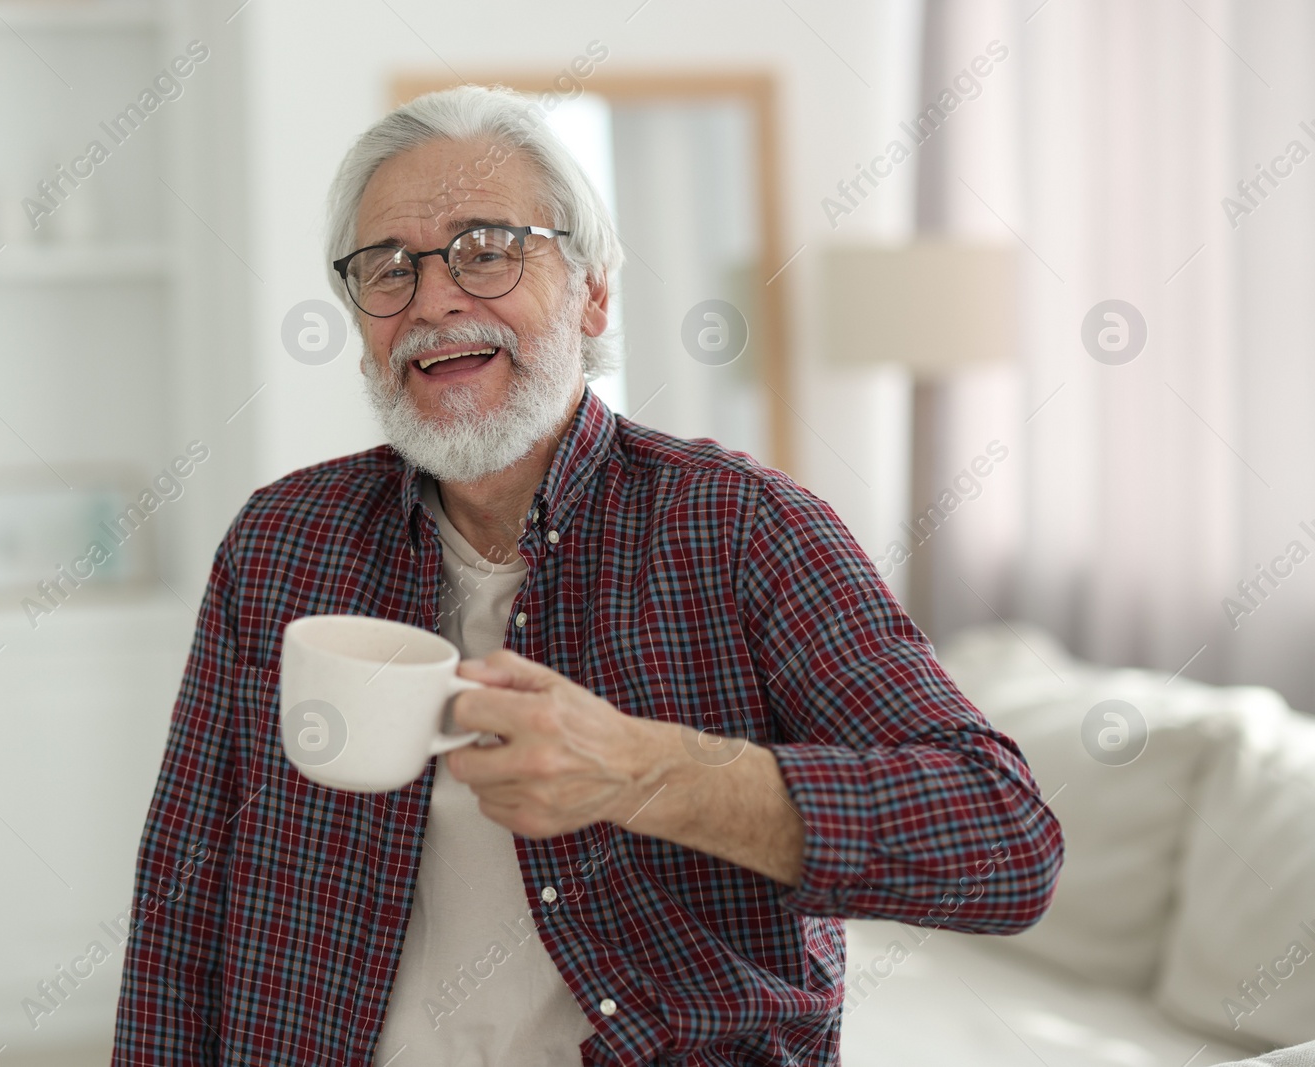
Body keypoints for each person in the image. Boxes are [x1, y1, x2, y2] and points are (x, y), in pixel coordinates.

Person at [111, 84, 1063, 1066]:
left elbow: (1002, 843)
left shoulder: (742, 527)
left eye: (486, 249)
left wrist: (642, 771)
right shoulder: (280, 543)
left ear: (592, 291)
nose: (433, 298)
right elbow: (184, 889)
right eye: (385, 270)